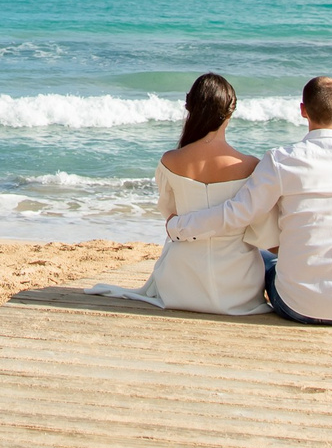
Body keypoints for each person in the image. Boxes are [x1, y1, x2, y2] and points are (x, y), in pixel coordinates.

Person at [164, 75, 332, 326]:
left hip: (291, 305)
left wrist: (180, 227)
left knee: (262, 254)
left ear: (303, 110)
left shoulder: (281, 160)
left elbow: (238, 214)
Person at [89, 73, 270, 315]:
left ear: (190, 108)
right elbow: (260, 227)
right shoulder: (251, 165)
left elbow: (170, 215)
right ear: (230, 112)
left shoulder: (170, 161)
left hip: (180, 285)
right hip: (238, 290)